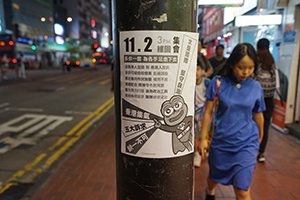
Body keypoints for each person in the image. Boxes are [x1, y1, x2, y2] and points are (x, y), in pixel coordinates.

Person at [199, 43, 265, 200]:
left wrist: (260, 136)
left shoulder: (256, 87)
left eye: (250, 68)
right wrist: (202, 139)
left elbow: (258, 114)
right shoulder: (218, 83)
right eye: (241, 67)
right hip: (221, 142)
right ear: (232, 64)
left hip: (247, 143)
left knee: (242, 190)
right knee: (214, 177)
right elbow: (207, 112)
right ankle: (210, 191)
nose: (246, 72)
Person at [253, 38, 277, 163]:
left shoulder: (256, 60)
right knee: (265, 126)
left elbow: (252, 78)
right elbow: (276, 84)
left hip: (256, 97)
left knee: (254, 123)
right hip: (269, 99)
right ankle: (261, 153)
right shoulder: (272, 61)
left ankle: (252, 149)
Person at [194, 60, 210, 167]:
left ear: (202, 70)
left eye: (198, 69)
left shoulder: (206, 82)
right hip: (192, 111)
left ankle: (198, 154)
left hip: (203, 112)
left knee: (199, 132)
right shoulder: (188, 83)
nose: (196, 72)